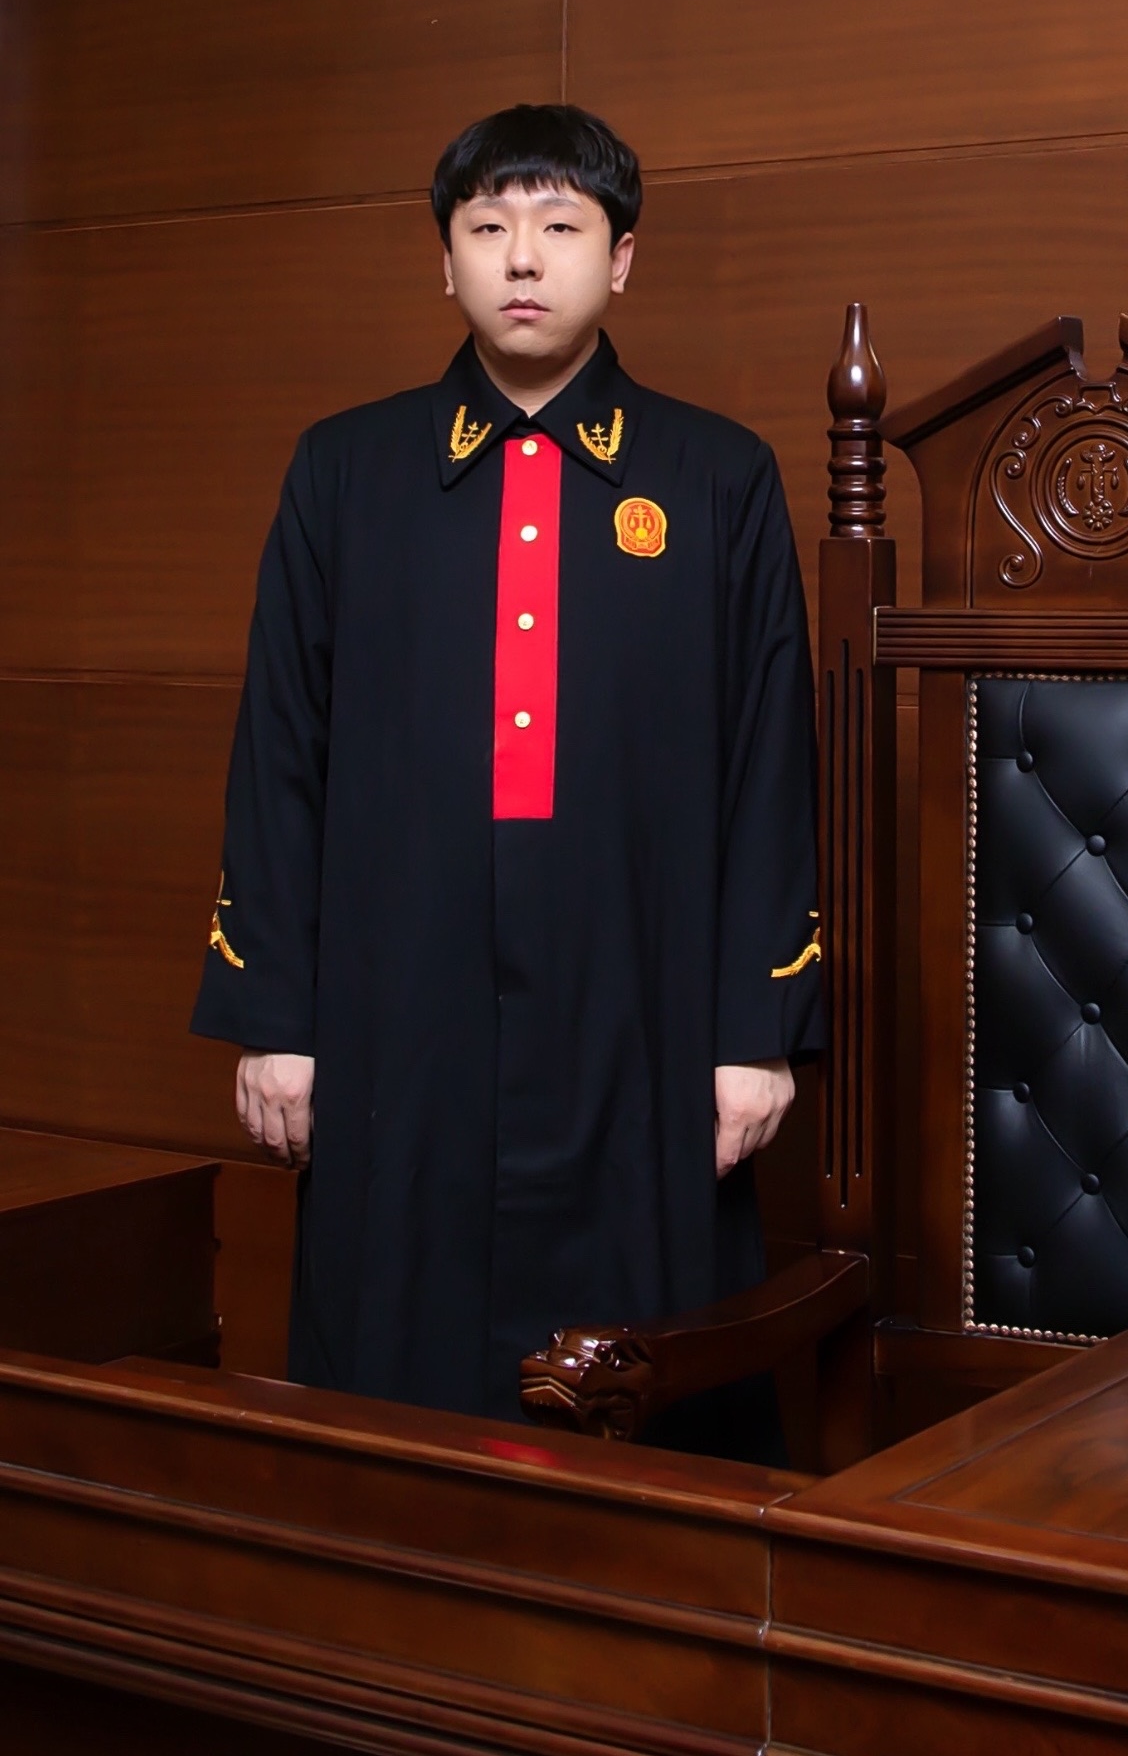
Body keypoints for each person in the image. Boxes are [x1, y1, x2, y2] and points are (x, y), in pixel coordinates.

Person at [191, 103, 824, 1440]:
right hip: (393, 1011)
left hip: (644, 1010)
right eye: (487, 229)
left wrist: (755, 1034)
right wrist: (276, 1017)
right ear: (447, 261)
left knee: (647, 1376)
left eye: (559, 227)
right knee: (391, 1367)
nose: (522, 259)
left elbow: (769, 763)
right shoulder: (345, 470)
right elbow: (280, 750)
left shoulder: (718, 478)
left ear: (621, 257)